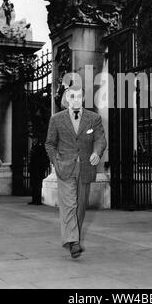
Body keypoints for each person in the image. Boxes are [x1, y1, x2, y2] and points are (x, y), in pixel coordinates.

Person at [45, 83, 107, 259]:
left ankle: (74, 238)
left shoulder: (93, 118)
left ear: (83, 98)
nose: (76, 100)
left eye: (79, 96)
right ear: (67, 99)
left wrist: (97, 152)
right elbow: (49, 143)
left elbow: (100, 139)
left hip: (85, 168)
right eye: (72, 97)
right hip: (65, 168)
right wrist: (56, 162)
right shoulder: (56, 119)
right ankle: (74, 241)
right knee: (70, 205)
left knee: (80, 206)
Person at [28, 138, 49, 205]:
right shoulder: (33, 146)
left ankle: (38, 200)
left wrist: (42, 168)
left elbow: (42, 158)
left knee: (38, 185)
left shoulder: (40, 147)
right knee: (33, 185)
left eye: (34, 139)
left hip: (38, 170)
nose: (33, 140)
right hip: (33, 170)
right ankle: (34, 199)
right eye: (32, 139)